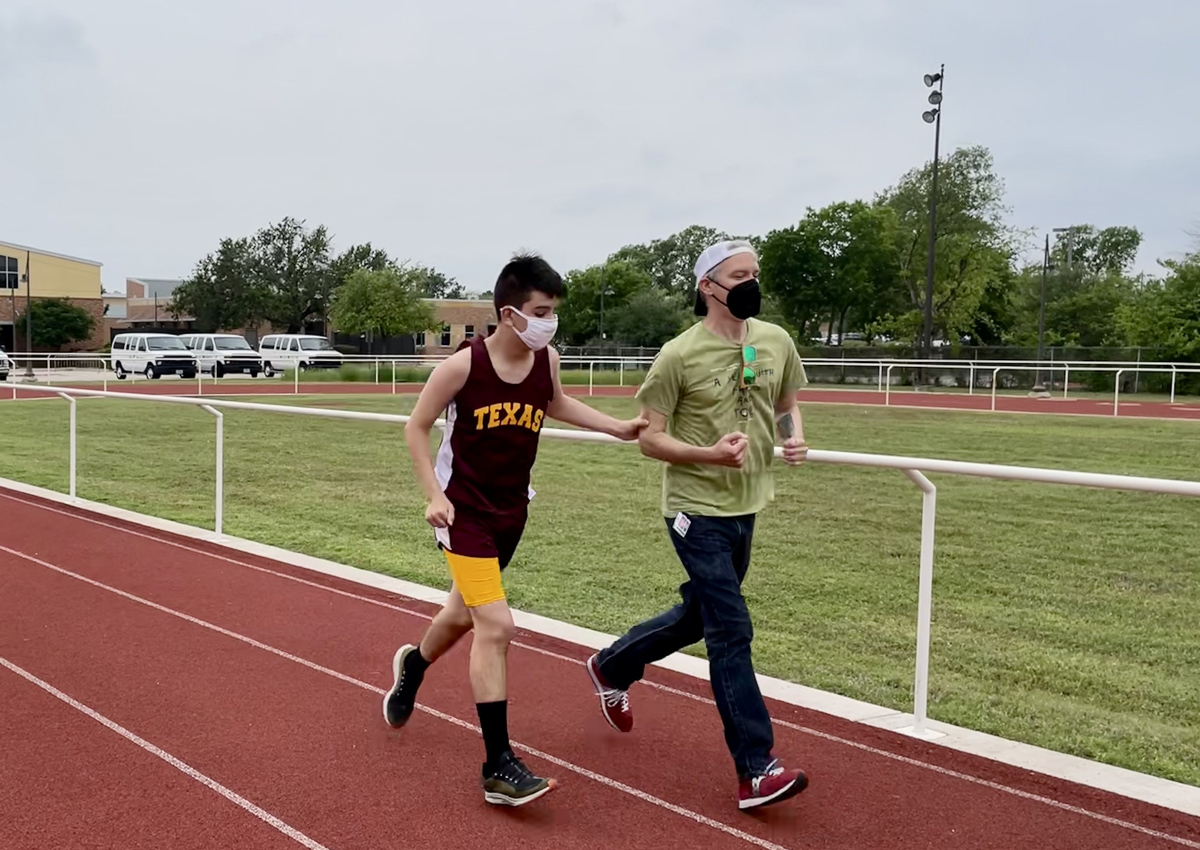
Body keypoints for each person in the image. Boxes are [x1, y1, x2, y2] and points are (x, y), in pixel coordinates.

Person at [383, 252, 647, 807]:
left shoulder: (544, 358)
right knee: (496, 626)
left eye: (554, 311)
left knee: (462, 614)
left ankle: (414, 665)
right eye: (542, 310)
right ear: (510, 313)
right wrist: (433, 495)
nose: (551, 322)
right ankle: (498, 766)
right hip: (463, 514)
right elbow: (416, 426)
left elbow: (557, 403)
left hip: (511, 512)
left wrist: (616, 427)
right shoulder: (461, 368)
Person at [584, 239, 811, 811]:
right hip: (693, 510)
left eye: (755, 273)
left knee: (699, 616)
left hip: (748, 505)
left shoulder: (775, 340)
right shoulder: (678, 355)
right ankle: (757, 770)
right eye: (739, 275)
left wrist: (793, 437)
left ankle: (612, 664)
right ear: (708, 286)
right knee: (730, 631)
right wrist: (709, 454)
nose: (751, 283)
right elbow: (650, 439)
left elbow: (785, 400)